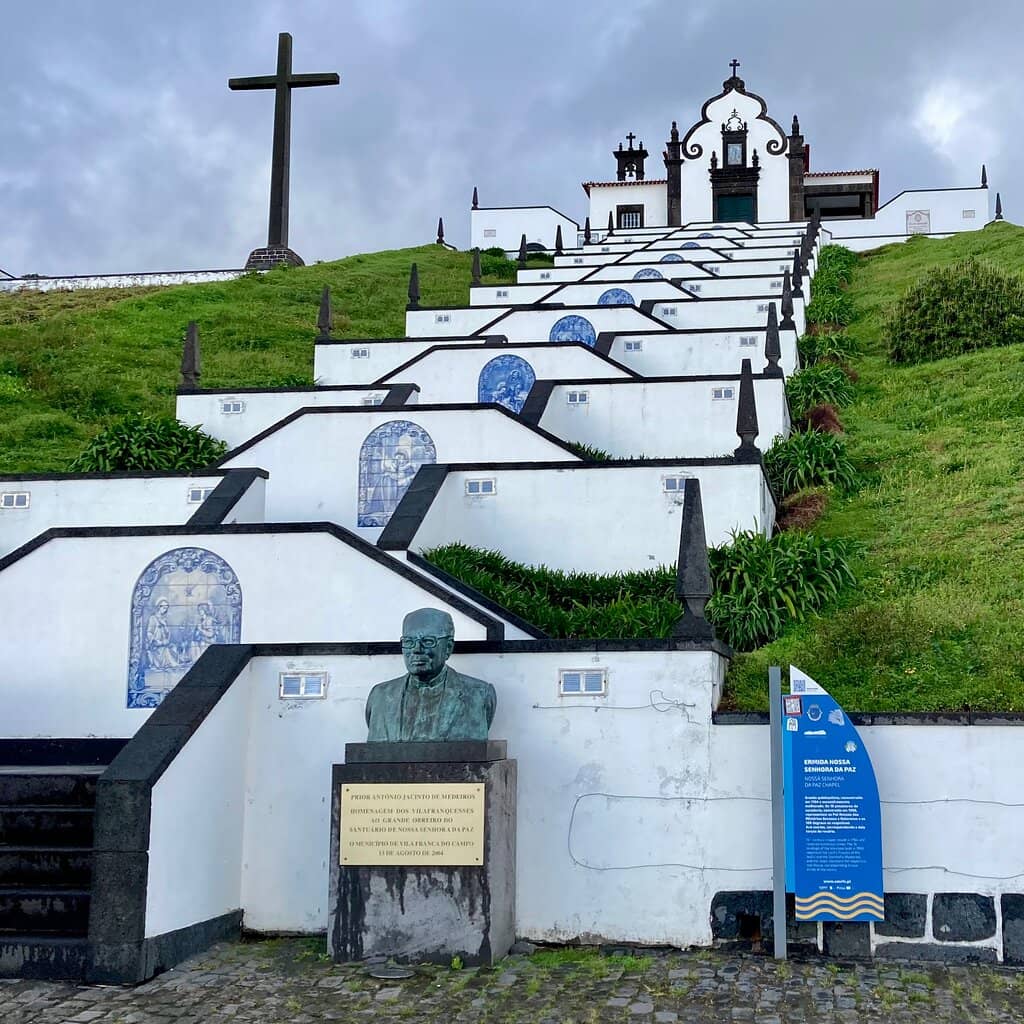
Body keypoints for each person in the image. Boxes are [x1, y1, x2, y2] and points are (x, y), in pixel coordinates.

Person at [365, 608, 496, 742]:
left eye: (428, 641)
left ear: (448, 647)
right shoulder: (380, 696)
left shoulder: (479, 694)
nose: (416, 650)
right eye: (409, 642)